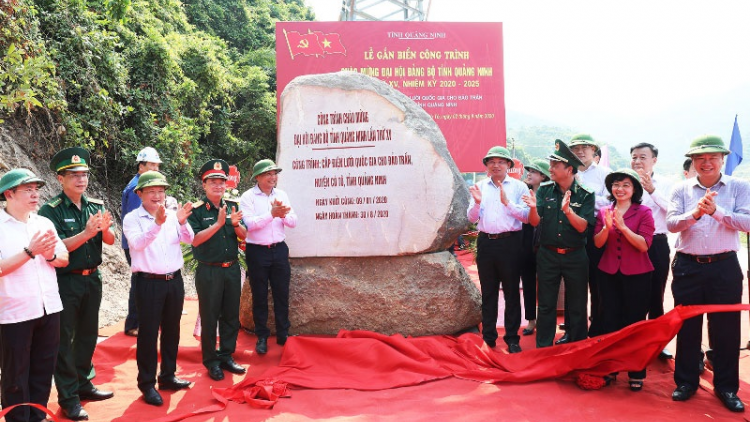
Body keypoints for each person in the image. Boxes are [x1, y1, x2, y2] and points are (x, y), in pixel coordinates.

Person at [667, 135, 750, 413]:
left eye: (712, 157)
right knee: (687, 326)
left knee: (726, 328)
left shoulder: (739, 187)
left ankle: (726, 387)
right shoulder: (681, 189)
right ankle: (686, 382)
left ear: (722, 160)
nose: (706, 162)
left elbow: (747, 222)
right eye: (700, 158)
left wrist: (716, 211)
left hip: (724, 266)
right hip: (688, 266)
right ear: (692, 162)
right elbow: (672, 223)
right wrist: (696, 214)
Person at [38, 147, 115, 421]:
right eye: (74, 175)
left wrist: (104, 230)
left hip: (93, 278)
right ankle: (68, 397)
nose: (81, 180)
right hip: (65, 281)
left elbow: (110, 241)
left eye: (84, 174)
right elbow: (56, 248)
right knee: (64, 340)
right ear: (61, 179)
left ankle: (84, 384)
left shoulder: (96, 205)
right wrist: (85, 233)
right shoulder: (50, 210)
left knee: (87, 335)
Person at [0, 169, 69, 422]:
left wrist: (49, 255)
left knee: (43, 369)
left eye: (36, 189)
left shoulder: (43, 223)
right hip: (14, 312)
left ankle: (38, 416)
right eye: (27, 189)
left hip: (49, 308)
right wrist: (30, 252)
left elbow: (63, 257)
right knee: (15, 375)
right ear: (9, 194)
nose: (34, 194)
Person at [123, 171, 194, 406]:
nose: (157, 195)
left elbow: (189, 239)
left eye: (161, 191)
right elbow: (138, 244)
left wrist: (182, 222)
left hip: (173, 280)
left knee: (172, 330)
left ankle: (168, 376)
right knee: (148, 333)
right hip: (148, 282)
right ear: (140, 194)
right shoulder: (132, 218)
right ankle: (146, 384)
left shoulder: (174, 215)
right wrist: (156, 224)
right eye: (151, 191)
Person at [523, 139, 595, 348]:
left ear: (569, 169)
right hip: (548, 254)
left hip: (575, 256)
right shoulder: (544, 190)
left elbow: (583, 227)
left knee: (577, 305)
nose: (551, 169)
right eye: (551, 164)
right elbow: (535, 222)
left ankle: (577, 346)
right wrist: (534, 208)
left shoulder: (585, 193)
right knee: (545, 304)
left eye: (555, 165)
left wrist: (568, 211)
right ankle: (543, 347)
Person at [593, 168, 655, 391]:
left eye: (626, 185)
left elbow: (644, 245)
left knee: (635, 323)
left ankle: (636, 371)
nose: (620, 189)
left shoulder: (644, 212)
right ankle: (610, 368)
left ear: (635, 189)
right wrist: (608, 227)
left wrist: (623, 227)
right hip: (608, 273)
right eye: (616, 184)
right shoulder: (604, 211)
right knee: (609, 321)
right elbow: (598, 244)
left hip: (637, 274)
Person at [188, 159, 248, 381]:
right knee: (210, 316)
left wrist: (234, 224)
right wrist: (217, 224)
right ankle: (211, 361)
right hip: (209, 271)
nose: (218, 186)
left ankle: (226, 355)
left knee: (231, 315)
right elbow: (194, 240)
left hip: (231, 269)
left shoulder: (233, 206)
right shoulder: (195, 211)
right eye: (212, 181)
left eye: (221, 182)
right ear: (204, 185)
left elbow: (245, 236)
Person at [467, 147, 530, 353]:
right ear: (486, 165)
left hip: (510, 242)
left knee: (512, 291)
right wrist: (476, 203)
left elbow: (526, 217)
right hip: (486, 242)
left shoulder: (519, 187)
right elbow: (471, 218)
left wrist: (507, 203)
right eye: (491, 161)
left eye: (501, 162)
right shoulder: (480, 186)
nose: (496, 165)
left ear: (508, 165)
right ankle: (489, 337)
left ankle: (512, 337)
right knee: (488, 291)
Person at [240, 159, 297, 354]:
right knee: (260, 295)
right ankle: (262, 336)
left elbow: (293, 221)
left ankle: (283, 333)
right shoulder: (248, 197)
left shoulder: (281, 194)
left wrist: (282, 215)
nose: (273, 177)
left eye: (274, 174)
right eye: (268, 174)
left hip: (279, 249)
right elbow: (250, 224)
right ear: (258, 177)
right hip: (257, 251)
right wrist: (271, 214)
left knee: (282, 293)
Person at [629, 142, 674, 360]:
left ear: (654, 160)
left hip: (656, 244)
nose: (637, 161)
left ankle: (658, 344)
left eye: (643, 157)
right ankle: (634, 341)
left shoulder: (665, 183)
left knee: (656, 293)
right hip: (630, 244)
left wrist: (652, 191)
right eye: (634, 157)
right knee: (632, 293)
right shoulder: (626, 181)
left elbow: (672, 210)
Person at [567, 133, 611, 341]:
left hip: (596, 229)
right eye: (575, 149)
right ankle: (574, 330)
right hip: (570, 230)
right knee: (573, 282)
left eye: (585, 148)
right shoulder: (566, 172)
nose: (580, 152)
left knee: (597, 282)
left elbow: (609, 203)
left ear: (594, 151)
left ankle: (597, 328)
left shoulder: (606, 174)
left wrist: (584, 192)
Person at [121, 147, 162, 337]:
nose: (155, 168)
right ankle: (133, 323)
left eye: (157, 165)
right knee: (140, 281)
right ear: (141, 166)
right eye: (151, 165)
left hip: (147, 240)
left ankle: (148, 319)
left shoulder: (147, 185)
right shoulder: (136, 189)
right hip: (136, 242)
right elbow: (135, 219)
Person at [520, 159, 550, 336]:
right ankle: (531, 319)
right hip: (525, 243)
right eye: (529, 171)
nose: (529, 174)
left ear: (543, 176)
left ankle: (545, 319)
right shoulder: (522, 192)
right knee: (528, 282)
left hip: (545, 244)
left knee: (546, 284)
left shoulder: (551, 194)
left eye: (534, 172)